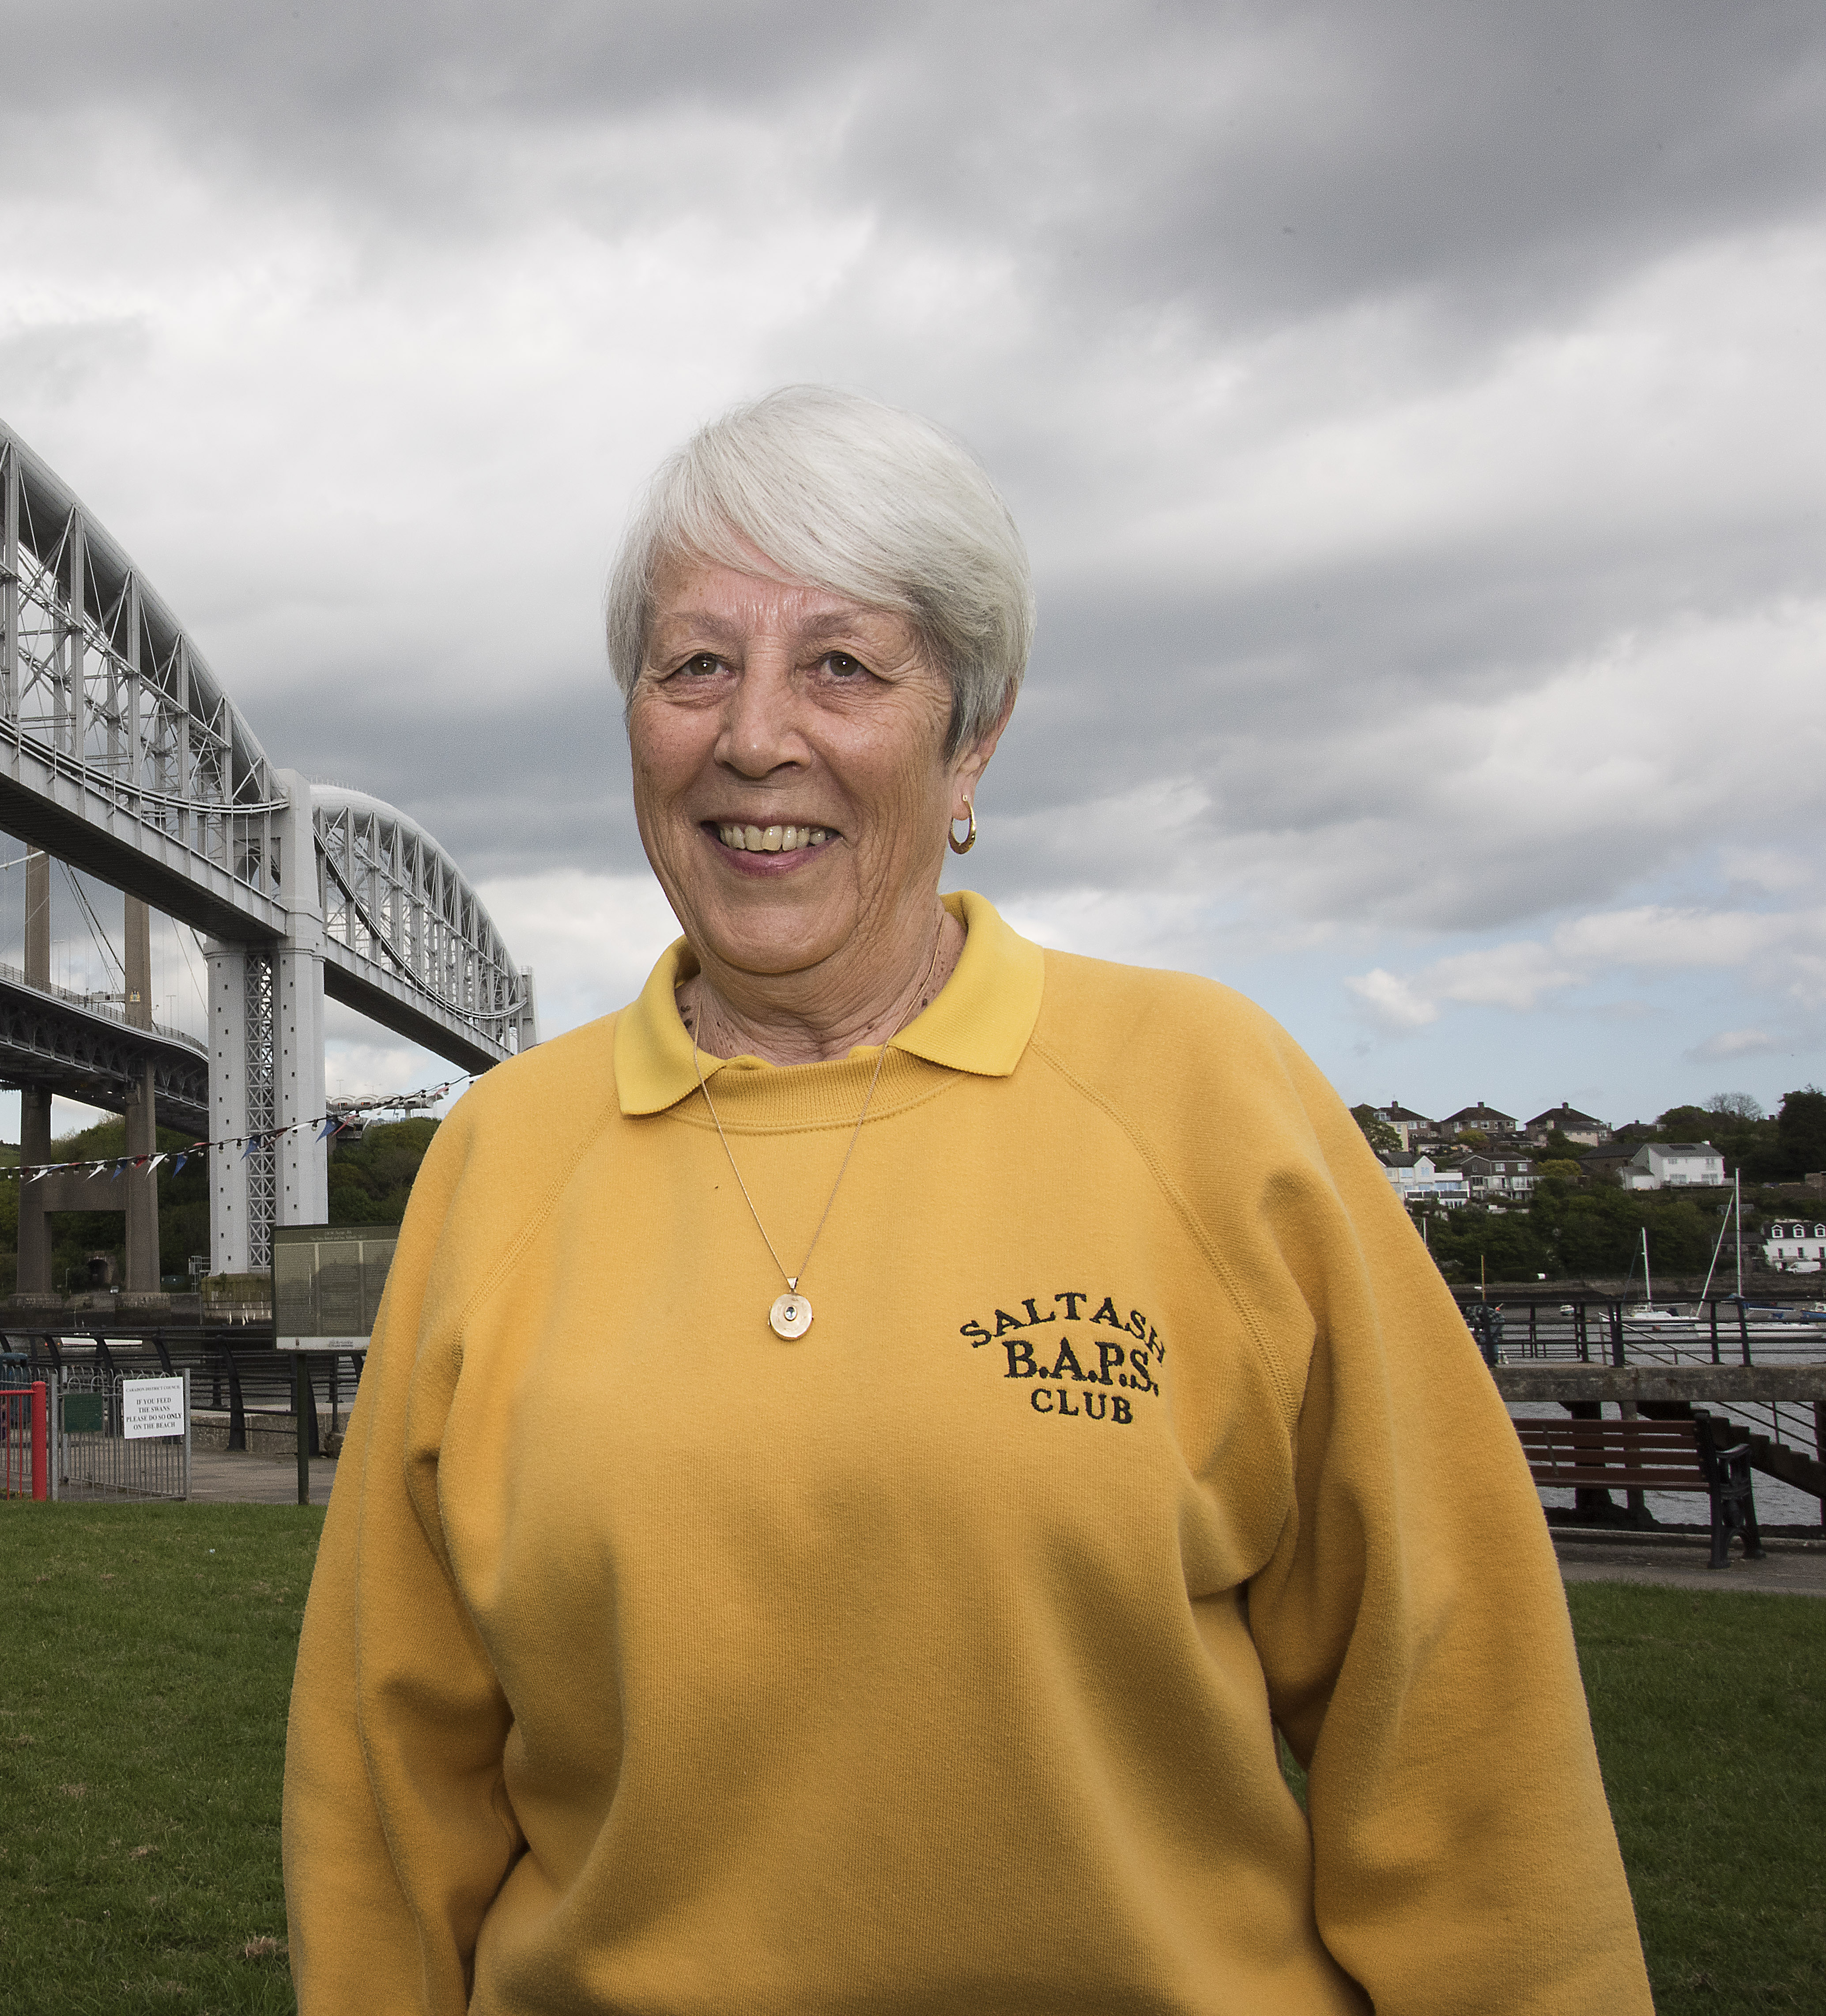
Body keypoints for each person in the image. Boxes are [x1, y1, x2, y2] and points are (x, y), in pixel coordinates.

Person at [282, 387, 1650, 2012]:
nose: (753, 736)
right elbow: (386, 1781)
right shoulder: (503, 1152)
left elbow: (1456, 1720)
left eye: (843, 666)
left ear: (973, 739)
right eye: (695, 663)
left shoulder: (1211, 1099)